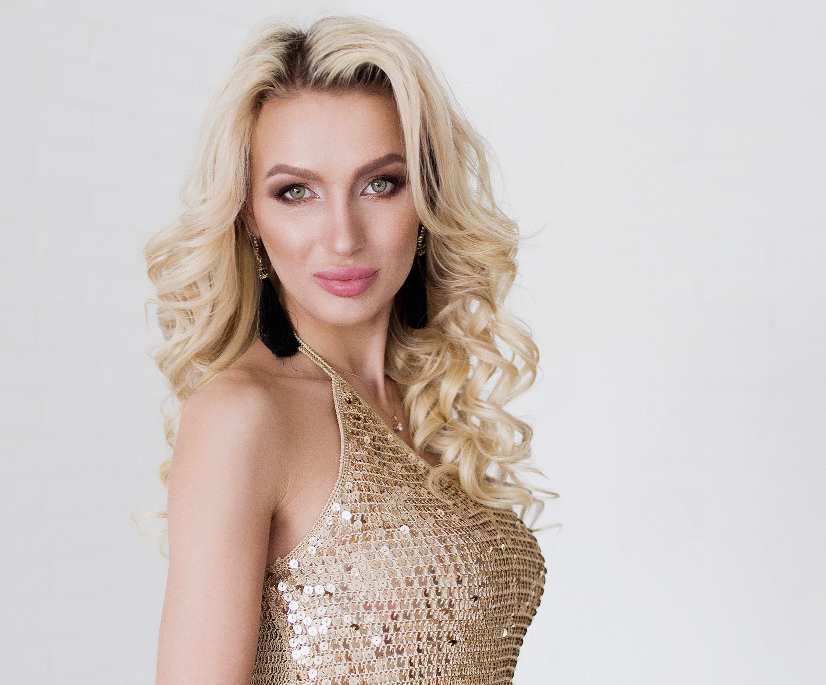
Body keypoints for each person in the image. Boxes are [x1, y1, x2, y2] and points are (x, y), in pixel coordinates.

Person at [144, 15, 547, 684]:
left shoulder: (426, 407)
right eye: (295, 192)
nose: (342, 236)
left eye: (379, 183)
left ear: (427, 198)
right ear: (249, 215)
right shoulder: (242, 415)